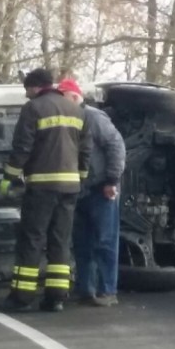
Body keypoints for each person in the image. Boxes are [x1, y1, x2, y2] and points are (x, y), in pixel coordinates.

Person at [0, 68, 91, 313]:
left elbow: (22, 146)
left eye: (27, 90)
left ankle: (22, 297)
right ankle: (56, 297)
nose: (26, 95)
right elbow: (85, 150)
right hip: (70, 187)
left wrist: (9, 176)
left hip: (42, 186)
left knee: (33, 239)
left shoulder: (33, 109)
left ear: (36, 87)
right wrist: (81, 177)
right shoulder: (77, 110)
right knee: (60, 240)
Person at [57, 78, 126, 307]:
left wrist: (112, 180)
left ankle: (108, 290)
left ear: (75, 97)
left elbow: (116, 146)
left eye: (63, 97)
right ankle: (85, 289)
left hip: (100, 188)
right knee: (82, 241)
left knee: (104, 240)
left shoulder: (94, 118)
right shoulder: (74, 119)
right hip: (82, 189)